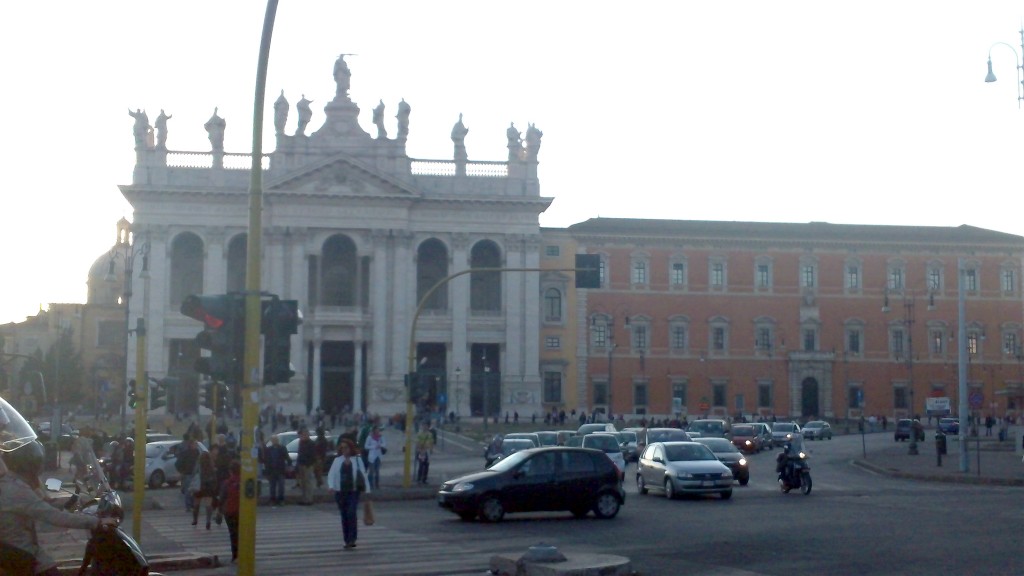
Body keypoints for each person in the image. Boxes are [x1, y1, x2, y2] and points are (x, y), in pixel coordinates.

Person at [0, 399, 119, 575]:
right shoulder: (13, 487)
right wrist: (97, 523)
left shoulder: (12, 482)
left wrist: (72, 500)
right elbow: (52, 516)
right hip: (17, 552)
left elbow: (41, 503)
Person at [327, 439, 370, 550]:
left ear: (351, 448)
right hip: (340, 492)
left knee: (351, 513)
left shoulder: (357, 460)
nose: (344, 450)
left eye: (346, 447)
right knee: (344, 515)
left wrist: (367, 490)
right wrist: (331, 486)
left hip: (353, 492)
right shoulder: (337, 460)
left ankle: (352, 539)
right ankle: (347, 540)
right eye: (342, 448)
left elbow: (363, 474)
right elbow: (331, 474)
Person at [217, 460, 241, 563]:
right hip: (242, 512)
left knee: (233, 534)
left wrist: (219, 511)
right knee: (242, 533)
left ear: (230, 471)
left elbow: (222, 498)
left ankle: (235, 555)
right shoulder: (245, 481)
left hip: (230, 512)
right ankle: (244, 553)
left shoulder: (227, 483)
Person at [192, 451, 218, 529]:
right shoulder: (211, 466)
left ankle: (195, 520)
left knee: (196, 504)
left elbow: (194, 473)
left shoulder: (198, 465)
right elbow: (214, 477)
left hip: (199, 486)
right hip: (208, 487)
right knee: (208, 505)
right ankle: (208, 521)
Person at [263, 434, 290, 506]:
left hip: (280, 470)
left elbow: (287, 457)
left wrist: (289, 465)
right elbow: (266, 461)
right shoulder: (268, 450)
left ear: (278, 440)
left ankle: (281, 500)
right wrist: (266, 471)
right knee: (272, 486)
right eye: (273, 440)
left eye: (276, 440)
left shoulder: (282, 448)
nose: (275, 441)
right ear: (271, 441)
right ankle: (272, 500)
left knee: (281, 486)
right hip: (272, 471)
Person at [175, 437, 200, 512]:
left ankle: (193, 505)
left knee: (195, 490)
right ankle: (188, 506)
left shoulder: (197, 452)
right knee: (188, 491)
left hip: (195, 474)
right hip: (187, 474)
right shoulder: (185, 453)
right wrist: (182, 471)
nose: (196, 445)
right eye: (195, 444)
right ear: (191, 444)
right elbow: (178, 463)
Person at [362, 425, 386, 490]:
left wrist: (380, 445)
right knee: (371, 471)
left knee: (377, 471)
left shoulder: (381, 437)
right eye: (376, 430)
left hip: (378, 456)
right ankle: (370, 485)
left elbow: (384, 444)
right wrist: (373, 447)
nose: (378, 431)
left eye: (378, 430)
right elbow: (366, 446)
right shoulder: (369, 437)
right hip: (372, 456)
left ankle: (377, 485)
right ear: (374, 430)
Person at [296, 429, 316, 505]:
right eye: (302, 435)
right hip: (301, 465)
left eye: (304, 435)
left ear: (308, 435)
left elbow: (313, 455)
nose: (302, 436)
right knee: (303, 483)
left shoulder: (311, 443)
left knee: (308, 482)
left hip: (308, 465)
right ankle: (304, 498)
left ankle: (309, 499)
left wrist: (308, 464)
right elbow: (299, 454)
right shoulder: (301, 443)